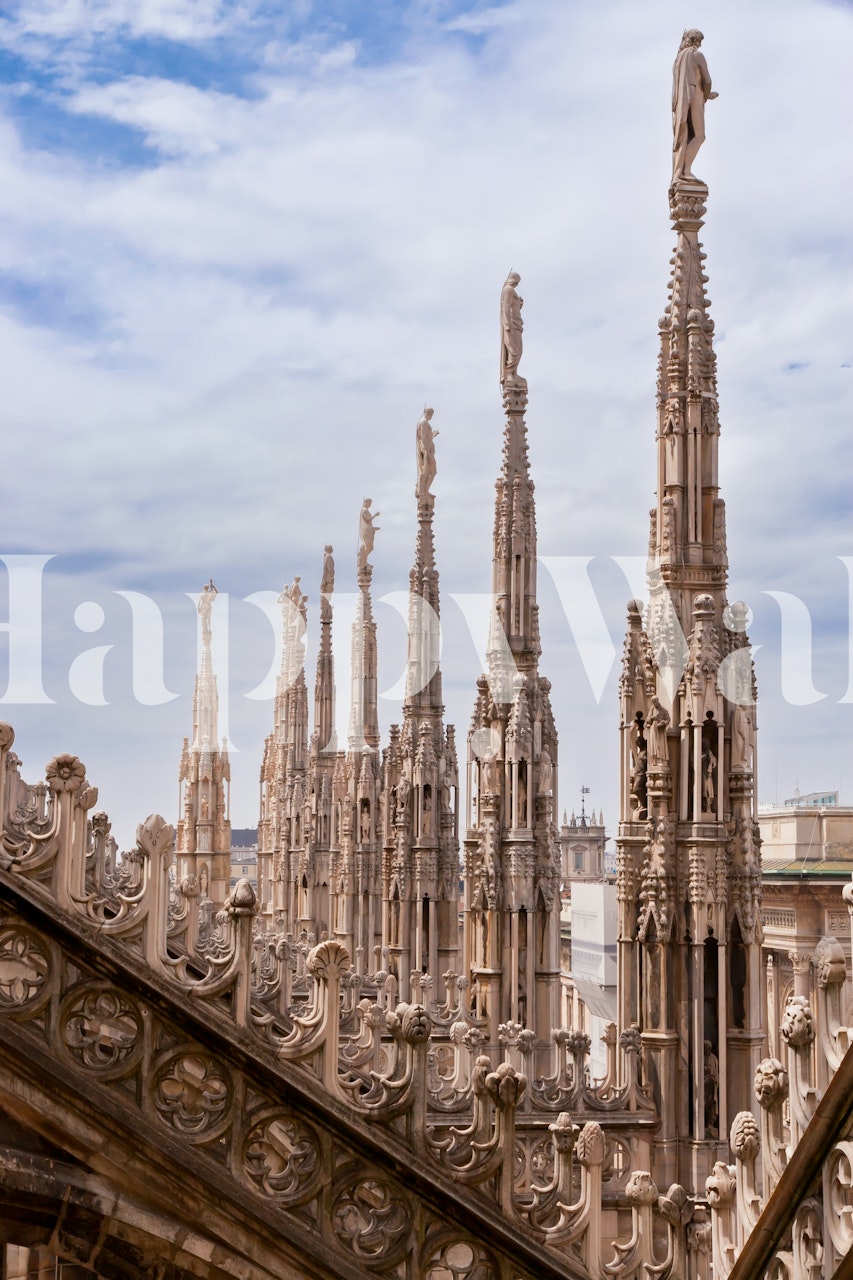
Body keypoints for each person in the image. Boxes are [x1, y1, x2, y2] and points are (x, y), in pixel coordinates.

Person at [672, 29, 718, 181]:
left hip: (681, 102)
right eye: (699, 41)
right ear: (696, 40)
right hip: (695, 98)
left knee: (683, 136)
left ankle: (679, 172)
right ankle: (686, 170)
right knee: (699, 135)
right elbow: (707, 81)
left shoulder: (678, 61)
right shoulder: (697, 56)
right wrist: (705, 95)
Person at [500, 272, 525, 386]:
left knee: (519, 349)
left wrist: (519, 304)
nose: (517, 284)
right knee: (513, 348)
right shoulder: (508, 289)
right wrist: (508, 324)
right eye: (517, 282)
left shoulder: (512, 290)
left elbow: (513, 306)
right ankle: (509, 373)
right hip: (511, 323)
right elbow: (506, 307)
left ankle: (513, 372)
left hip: (517, 322)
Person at [415, 407, 439, 499]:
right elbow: (424, 439)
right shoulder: (423, 423)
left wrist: (433, 435)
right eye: (431, 414)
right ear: (427, 413)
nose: (431, 417)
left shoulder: (422, 423)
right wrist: (427, 453)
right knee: (432, 471)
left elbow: (426, 438)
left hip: (427, 450)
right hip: (427, 451)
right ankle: (424, 491)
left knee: (428, 471)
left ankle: (423, 490)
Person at [357, 498, 380, 572]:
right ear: (366, 502)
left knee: (370, 547)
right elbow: (368, 519)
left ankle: (364, 561)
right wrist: (375, 515)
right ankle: (363, 562)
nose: (370, 505)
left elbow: (368, 522)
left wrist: (373, 528)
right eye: (370, 503)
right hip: (366, 530)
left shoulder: (365, 510)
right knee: (368, 546)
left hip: (368, 529)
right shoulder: (364, 510)